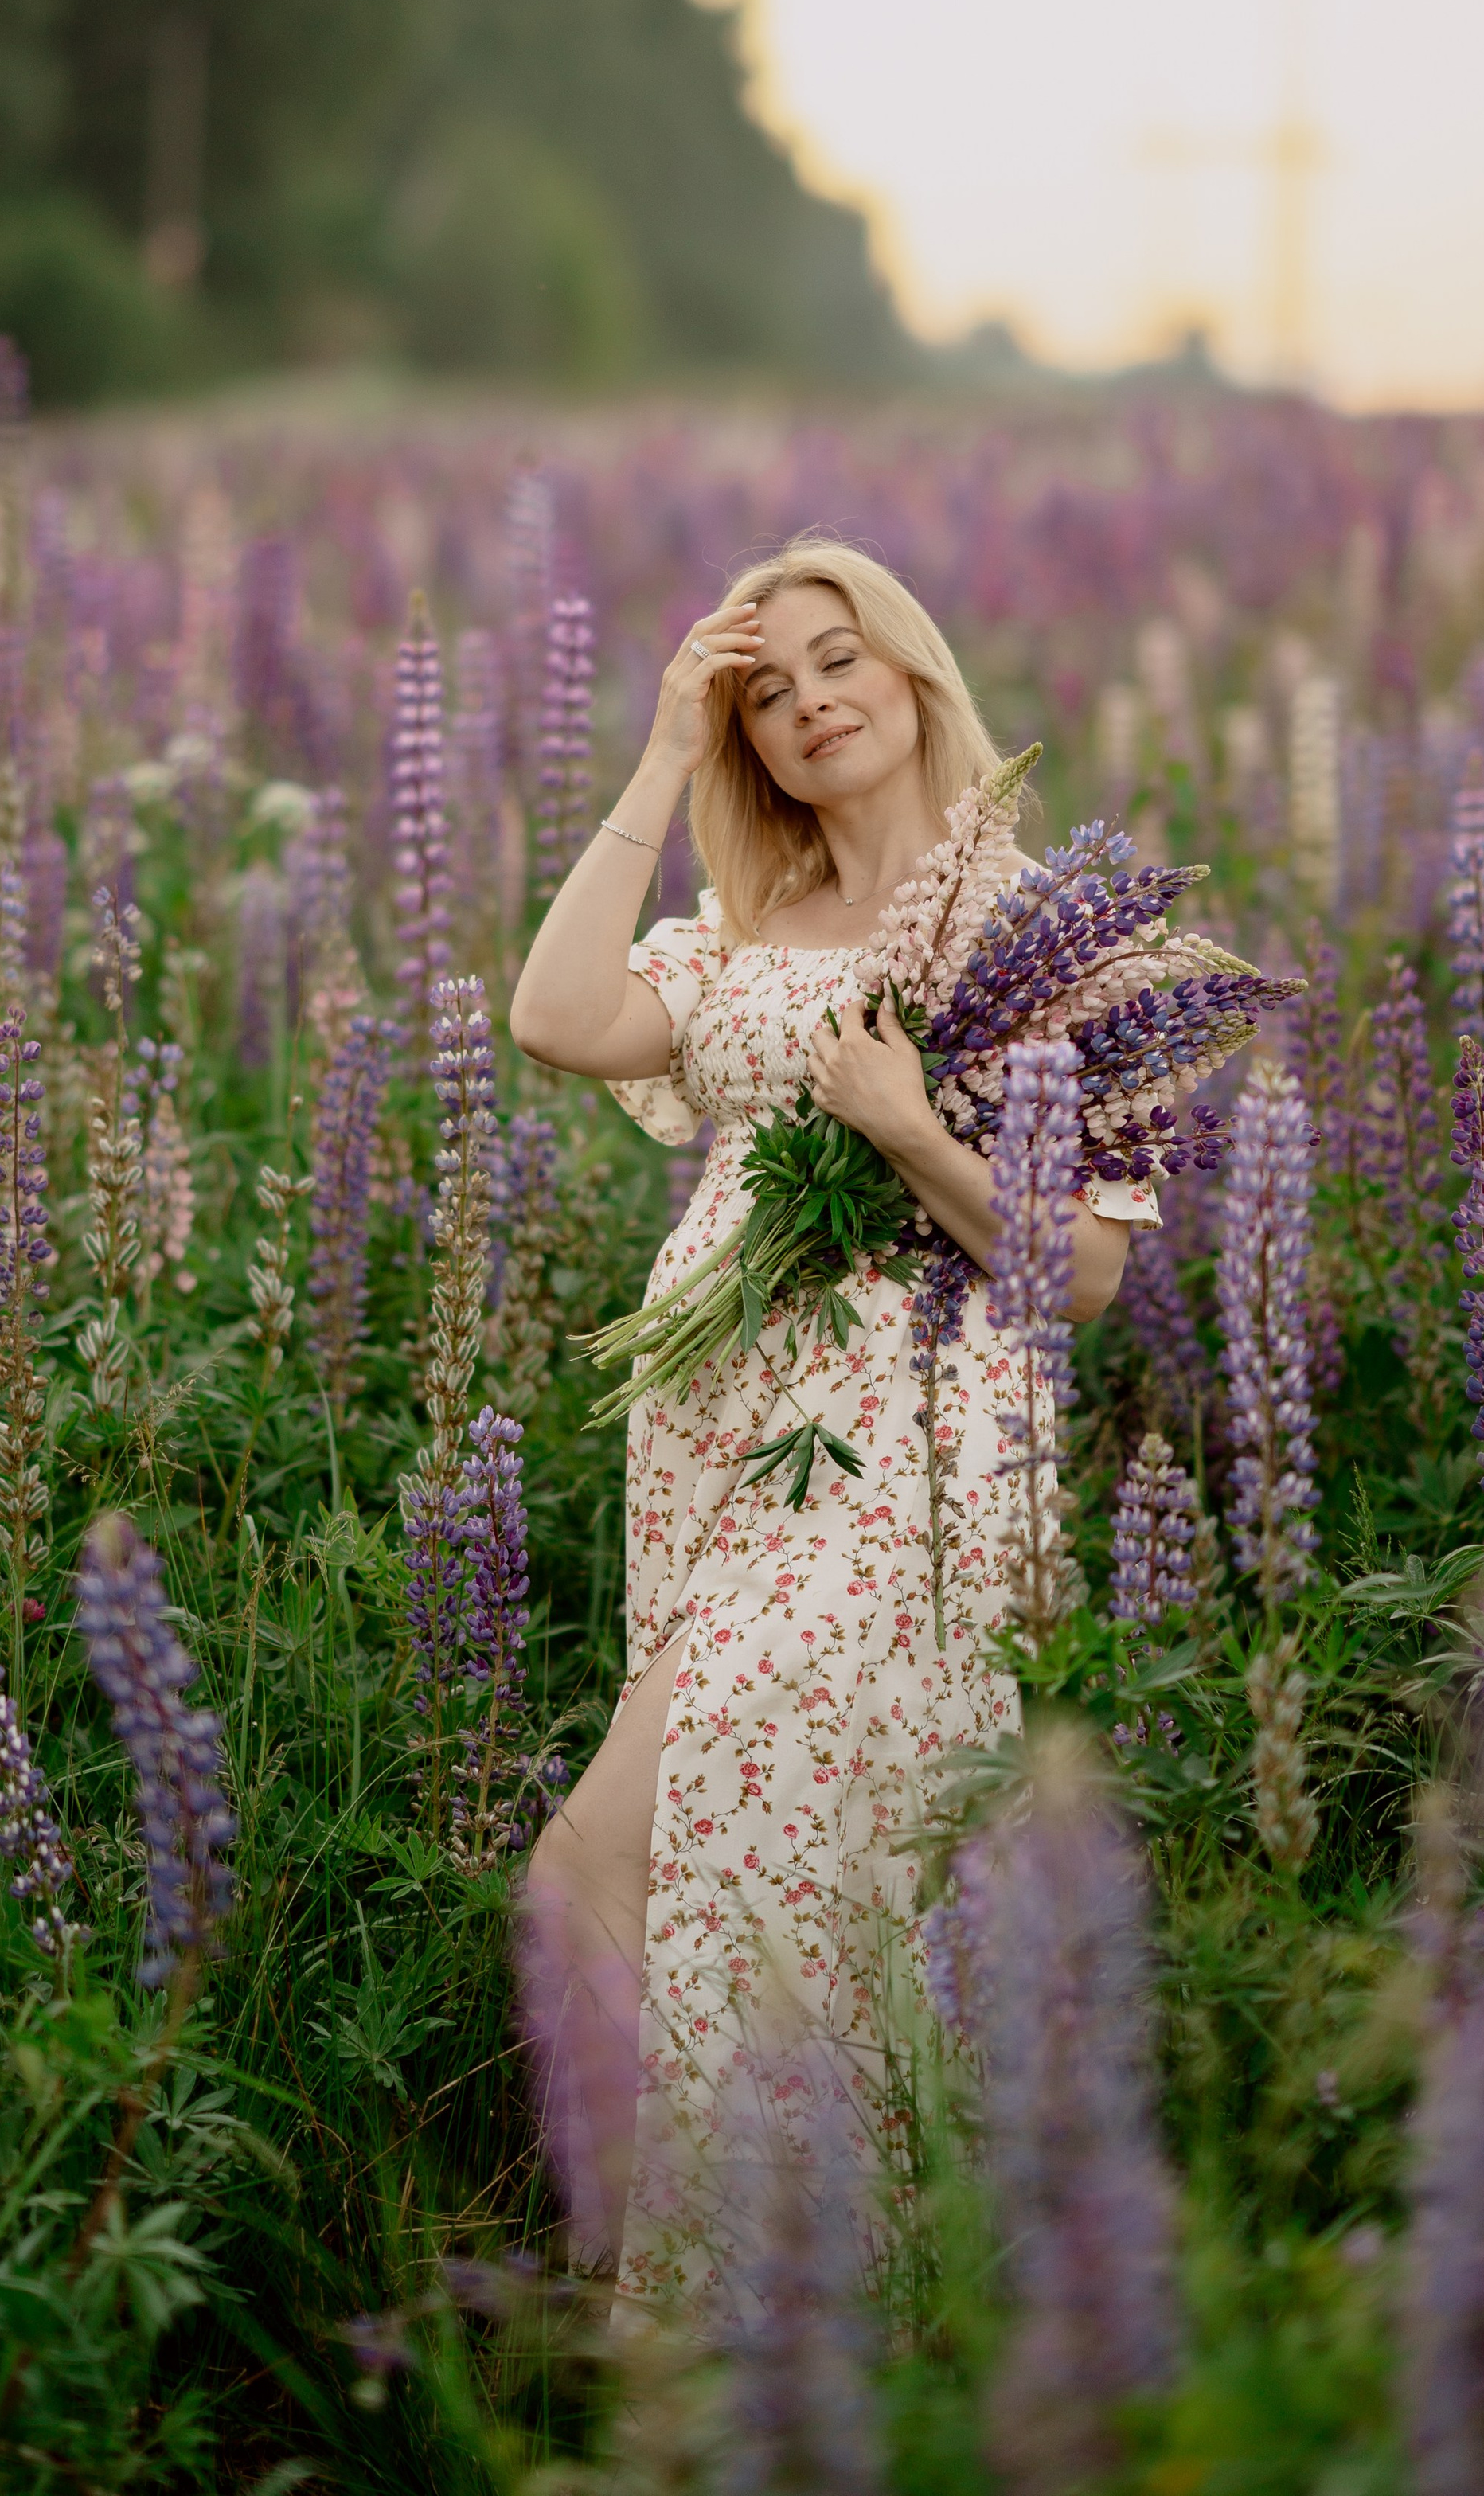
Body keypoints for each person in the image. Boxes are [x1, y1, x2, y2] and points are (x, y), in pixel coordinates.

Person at [510, 536, 1156, 2305]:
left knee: (608, 1857)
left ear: (912, 667)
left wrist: (898, 1122)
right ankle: (735, 2303)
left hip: (909, 1451)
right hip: (724, 1449)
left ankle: (706, 2317)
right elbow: (552, 1013)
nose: (807, 701)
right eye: (763, 691)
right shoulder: (740, 930)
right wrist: (656, 753)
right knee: (722, 1864)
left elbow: (1084, 1272)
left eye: (833, 657)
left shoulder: (1046, 935)